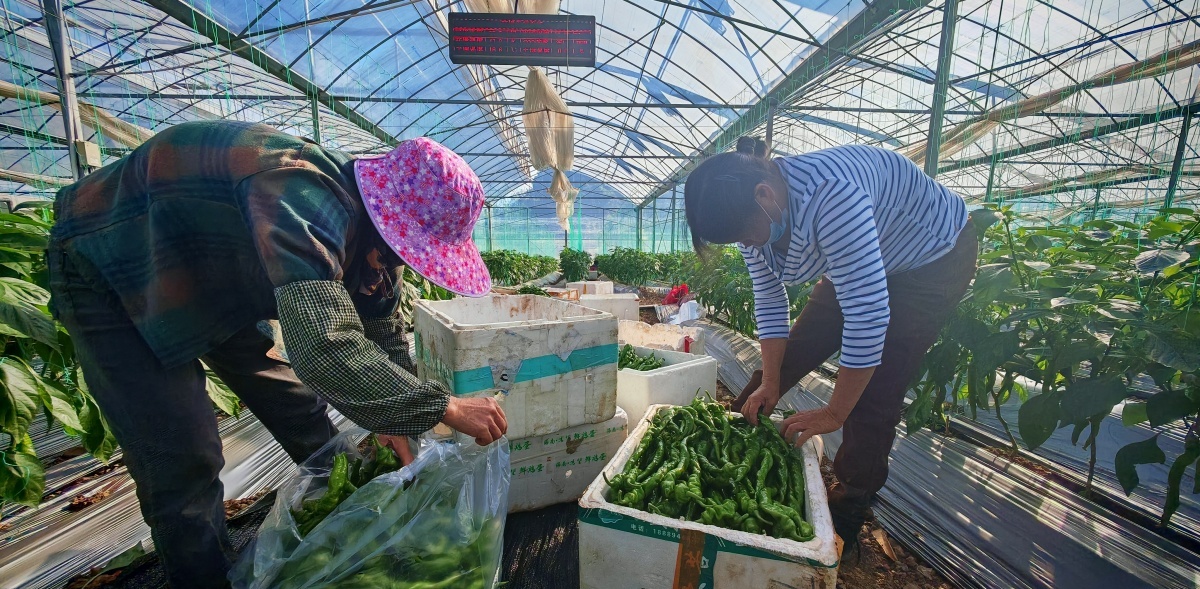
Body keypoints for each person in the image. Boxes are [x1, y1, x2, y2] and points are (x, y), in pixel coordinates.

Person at [46, 120, 507, 588]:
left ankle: (359, 529)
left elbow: (383, 337)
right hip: (107, 261)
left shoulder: (374, 249)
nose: (403, 262)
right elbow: (324, 348)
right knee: (181, 453)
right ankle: (205, 579)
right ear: (383, 220)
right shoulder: (302, 195)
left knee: (300, 410)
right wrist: (443, 407)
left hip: (211, 279)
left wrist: (395, 416)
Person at [683, 136, 977, 553]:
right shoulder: (755, 216)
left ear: (764, 196)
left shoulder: (833, 196)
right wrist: (770, 382)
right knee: (790, 356)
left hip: (932, 259)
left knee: (876, 393)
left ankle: (847, 511)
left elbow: (869, 315)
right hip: (873, 251)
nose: (746, 244)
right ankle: (735, 443)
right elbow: (769, 300)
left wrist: (835, 411)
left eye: (745, 235)